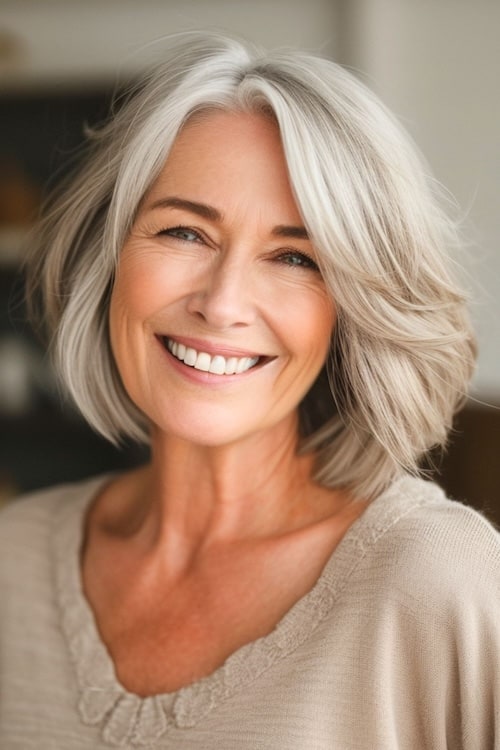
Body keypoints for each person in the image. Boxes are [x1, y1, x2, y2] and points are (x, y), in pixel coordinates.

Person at [0, 31, 498, 749]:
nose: (224, 302)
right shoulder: (13, 560)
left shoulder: (436, 580)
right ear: (106, 256)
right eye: (185, 234)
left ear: (353, 305)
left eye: (294, 256)